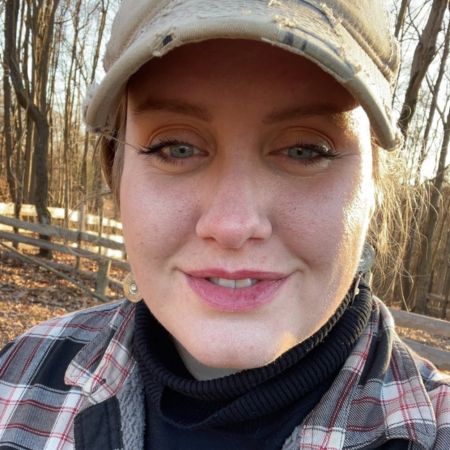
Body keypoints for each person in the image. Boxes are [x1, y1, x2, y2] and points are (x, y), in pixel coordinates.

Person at [1, 1, 449, 449]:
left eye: (304, 150)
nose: (232, 226)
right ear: (115, 175)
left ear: (373, 188)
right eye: (176, 147)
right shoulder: (16, 379)